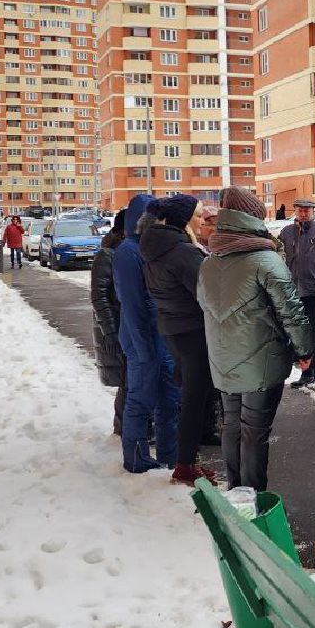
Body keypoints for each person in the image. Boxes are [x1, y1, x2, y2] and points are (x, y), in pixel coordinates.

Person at [198, 187, 314, 490]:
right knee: (254, 431)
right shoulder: (265, 260)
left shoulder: (209, 263)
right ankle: (253, 497)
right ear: (252, 219)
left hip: (223, 359)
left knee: (232, 426)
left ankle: (237, 492)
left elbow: (204, 306)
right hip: (261, 362)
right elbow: (292, 312)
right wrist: (304, 349)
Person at [141, 193, 217, 486]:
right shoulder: (183, 252)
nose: (202, 221)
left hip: (173, 329)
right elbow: (208, 295)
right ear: (184, 220)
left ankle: (187, 460)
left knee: (190, 396)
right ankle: (185, 465)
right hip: (193, 332)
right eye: (197, 216)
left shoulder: (155, 249)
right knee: (194, 400)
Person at [113, 193, 181, 473]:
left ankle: (170, 457)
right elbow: (132, 305)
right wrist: (143, 349)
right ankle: (136, 459)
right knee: (141, 399)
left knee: (169, 399)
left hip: (160, 338)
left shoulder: (148, 248)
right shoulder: (128, 252)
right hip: (141, 339)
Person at [280, 198, 315, 393]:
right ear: (295, 210)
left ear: (313, 211)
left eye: (307, 210)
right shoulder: (286, 232)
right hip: (294, 291)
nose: (304, 213)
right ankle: (306, 373)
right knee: (300, 336)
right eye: (300, 210)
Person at [91, 209, 128, 436]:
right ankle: (122, 427)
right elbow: (99, 296)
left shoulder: (122, 252)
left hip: (124, 325)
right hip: (116, 327)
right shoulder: (108, 255)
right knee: (127, 381)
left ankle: (126, 426)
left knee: (131, 380)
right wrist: (110, 332)